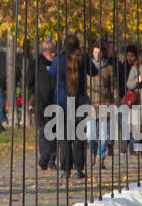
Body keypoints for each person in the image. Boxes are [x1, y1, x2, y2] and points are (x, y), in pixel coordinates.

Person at [44, 34, 90, 177]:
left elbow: (51, 73)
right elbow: (93, 71)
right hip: (79, 100)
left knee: (64, 136)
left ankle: (65, 168)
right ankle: (78, 168)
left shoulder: (59, 59)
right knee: (78, 136)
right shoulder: (83, 58)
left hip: (62, 101)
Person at [121, 44, 142, 158]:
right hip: (138, 101)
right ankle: (139, 148)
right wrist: (137, 81)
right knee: (139, 127)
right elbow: (129, 84)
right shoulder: (136, 68)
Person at [87, 43, 116, 167]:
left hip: (105, 103)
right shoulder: (87, 68)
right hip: (90, 104)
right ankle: (93, 152)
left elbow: (114, 87)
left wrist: (115, 104)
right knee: (90, 134)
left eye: (99, 52)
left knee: (103, 135)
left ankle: (100, 157)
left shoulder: (109, 68)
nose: (97, 55)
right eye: (95, 52)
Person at [33, 39, 58, 169]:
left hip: (55, 101)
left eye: (54, 51)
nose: (53, 54)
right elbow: (29, 81)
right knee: (43, 130)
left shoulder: (57, 63)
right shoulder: (37, 64)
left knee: (53, 131)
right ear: (43, 52)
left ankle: (52, 159)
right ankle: (44, 156)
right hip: (41, 101)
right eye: (51, 52)